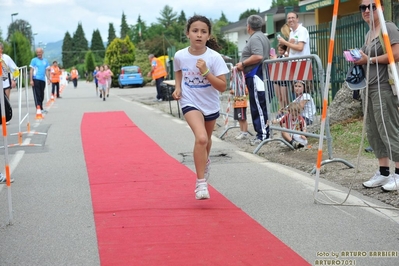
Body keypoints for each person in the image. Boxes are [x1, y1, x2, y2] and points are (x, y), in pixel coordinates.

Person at [172, 15, 229, 200]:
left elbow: (222, 86)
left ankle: (204, 161)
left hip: (210, 103)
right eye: (195, 31)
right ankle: (201, 183)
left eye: (203, 31)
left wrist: (206, 72)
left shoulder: (214, 58)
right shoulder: (180, 55)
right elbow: (178, 70)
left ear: (208, 35)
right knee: (201, 138)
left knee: (207, 140)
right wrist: (178, 87)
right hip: (190, 101)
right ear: (188, 33)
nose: (199, 34)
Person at [355, 0, 399, 192]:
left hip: (384, 87)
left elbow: (396, 54)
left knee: (389, 128)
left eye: (371, 6)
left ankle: (398, 173)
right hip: (369, 87)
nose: (366, 10)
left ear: (379, 8)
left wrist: (369, 59)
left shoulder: (387, 27)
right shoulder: (368, 33)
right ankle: (383, 172)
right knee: (374, 131)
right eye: (363, 7)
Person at [235, 14, 270, 146]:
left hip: (256, 74)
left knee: (258, 106)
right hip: (258, 74)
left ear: (248, 26)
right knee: (260, 105)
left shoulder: (255, 38)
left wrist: (242, 64)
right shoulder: (262, 36)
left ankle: (262, 135)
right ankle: (264, 133)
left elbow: (258, 56)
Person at [230, 68, 249, 140]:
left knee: (243, 118)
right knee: (239, 118)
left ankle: (245, 132)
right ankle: (241, 131)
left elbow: (246, 92)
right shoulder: (235, 83)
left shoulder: (242, 82)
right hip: (236, 102)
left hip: (241, 103)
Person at [30, 47, 50, 113]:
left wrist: (48, 78)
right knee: (37, 94)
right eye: (37, 52)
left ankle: (41, 108)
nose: (38, 53)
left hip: (42, 80)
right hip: (36, 79)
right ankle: (39, 108)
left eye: (40, 52)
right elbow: (31, 70)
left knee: (41, 94)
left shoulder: (45, 61)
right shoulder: (34, 60)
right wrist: (31, 80)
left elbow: (47, 71)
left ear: (42, 52)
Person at [270, 44, 289, 110]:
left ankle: (287, 110)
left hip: (283, 78)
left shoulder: (286, 56)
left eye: (281, 50)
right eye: (279, 50)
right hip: (276, 78)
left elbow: (280, 62)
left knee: (285, 98)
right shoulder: (277, 57)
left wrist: (275, 60)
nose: (280, 52)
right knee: (279, 97)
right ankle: (281, 110)